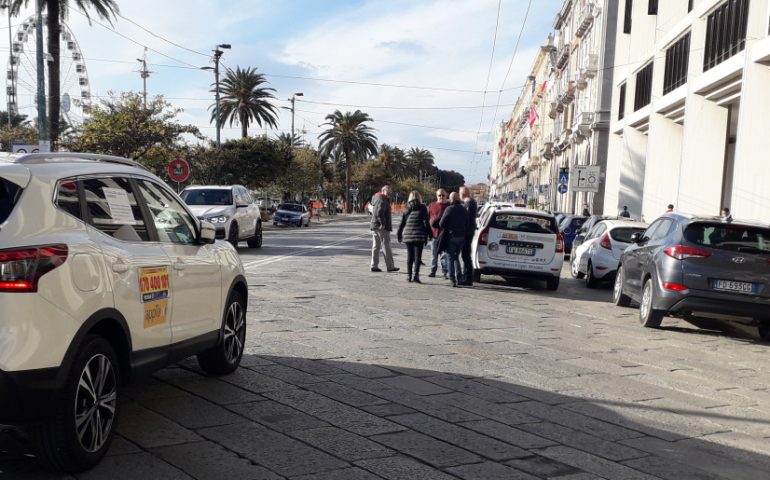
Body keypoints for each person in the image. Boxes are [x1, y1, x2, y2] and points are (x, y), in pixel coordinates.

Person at [397, 191, 431, 283]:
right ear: (419, 197)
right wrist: (430, 234)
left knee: (409, 256)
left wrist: (399, 234)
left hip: (408, 235)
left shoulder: (406, 207)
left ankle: (409, 276)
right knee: (417, 256)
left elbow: (402, 223)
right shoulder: (422, 207)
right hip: (419, 235)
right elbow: (426, 222)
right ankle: (416, 275)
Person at [439, 192, 468, 287]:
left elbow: (441, 223)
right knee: (456, 257)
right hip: (462, 237)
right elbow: (467, 223)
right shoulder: (464, 209)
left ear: (451, 199)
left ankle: (452, 278)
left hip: (452, 237)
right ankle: (459, 277)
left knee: (451, 257)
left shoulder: (449, 209)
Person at [370, 185, 399, 273]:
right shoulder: (382, 198)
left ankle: (374, 265)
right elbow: (379, 212)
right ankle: (390, 266)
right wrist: (382, 223)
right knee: (386, 246)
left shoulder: (376, 197)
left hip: (375, 225)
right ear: (383, 191)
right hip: (381, 227)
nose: (390, 193)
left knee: (376, 246)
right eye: (388, 191)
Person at [427, 189, 450, 278]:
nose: (441, 197)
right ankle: (433, 270)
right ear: (436, 196)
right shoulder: (431, 205)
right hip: (434, 234)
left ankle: (445, 271)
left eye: (443, 195)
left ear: (446, 196)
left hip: (445, 235)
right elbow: (428, 219)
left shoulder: (449, 206)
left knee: (444, 255)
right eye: (439, 195)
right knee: (434, 254)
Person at [459, 186, 478, 286]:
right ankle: (465, 276)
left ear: (462, 194)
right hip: (469, 232)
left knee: (466, 255)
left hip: (467, 233)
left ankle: (468, 278)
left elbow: (467, 219)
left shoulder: (469, 203)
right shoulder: (471, 202)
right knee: (465, 255)